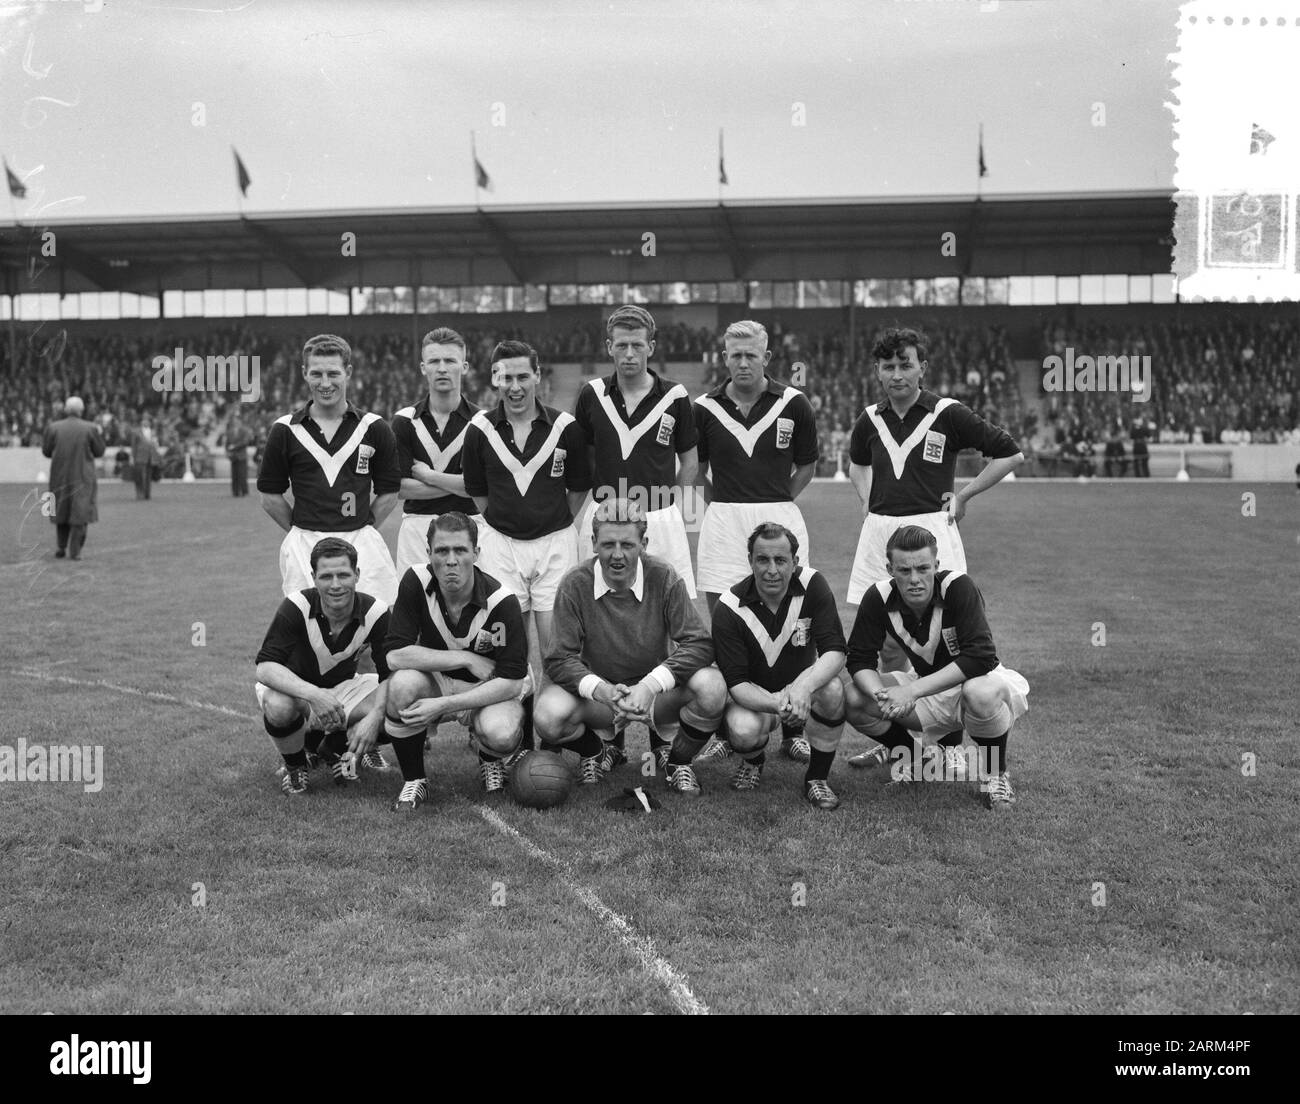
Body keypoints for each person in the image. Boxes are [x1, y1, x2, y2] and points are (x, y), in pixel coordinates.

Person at [842, 327, 1022, 769]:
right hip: (879, 532)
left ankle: (949, 747)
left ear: (923, 366)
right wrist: (867, 502)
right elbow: (856, 463)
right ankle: (900, 744)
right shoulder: (869, 418)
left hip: (931, 530)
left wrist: (963, 496)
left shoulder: (947, 412)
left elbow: (1009, 453)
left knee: (947, 639)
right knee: (886, 642)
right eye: (888, 366)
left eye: (906, 364)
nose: (897, 374)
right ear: (877, 371)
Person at [573, 304, 699, 768]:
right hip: (605, 517)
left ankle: (665, 739)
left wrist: (676, 505)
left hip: (660, 517)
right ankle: (611, 740)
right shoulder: (591, 395)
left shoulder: (676, 395)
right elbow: (581, 457)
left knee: (668, 626)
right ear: (609, 348)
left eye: (637, 345)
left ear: (652, 346)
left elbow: (689, 458)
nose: (629, 354)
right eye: (620, 345)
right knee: (603, 623)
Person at [536, 498, 726, 792]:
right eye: (609, 544)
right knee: (547, 715)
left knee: (712, 688)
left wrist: (650, 685)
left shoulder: (664, 577)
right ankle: (594, 750)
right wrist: (603, 691)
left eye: (627, 544)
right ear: (594, 542)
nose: (617, 555)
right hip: (603, 699)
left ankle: (678, 761)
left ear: (644, 543)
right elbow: (558, 658)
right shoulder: (574, 583)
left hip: (656, 696)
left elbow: (699, 644)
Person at [843, 525, 1028, 810]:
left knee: (981, 691)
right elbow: (859, 658)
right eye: (904, 571)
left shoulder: (958, 587)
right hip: (926, 691)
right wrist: (882, 695)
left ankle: (995, 774)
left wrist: (911, 691)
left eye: (923, 568)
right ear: (890, 569)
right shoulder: (878, 597)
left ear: (936, 565)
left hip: (973, 685)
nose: (915, 579)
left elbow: (981, 657)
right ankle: (916, 759)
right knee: (854, 696)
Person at [380, 512, 530, 811]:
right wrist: (464, 657)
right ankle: (414, 779)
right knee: (403, 686)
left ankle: (490, 757)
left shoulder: (502, 601)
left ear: (476, 553)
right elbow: (396, 655)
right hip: (441, 681)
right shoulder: (415, 581)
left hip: (490, 690)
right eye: (442, 551)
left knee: (500, 732)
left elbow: (512, 682)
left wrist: (443, 706)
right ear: (428, 554)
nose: (450, 560)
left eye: (460, 550)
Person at [461, 339, 591, 667]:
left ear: (537, 376)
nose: (515, 387)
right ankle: (519, 712)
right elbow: (477, 490)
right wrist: (502, 519)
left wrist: (553, 519)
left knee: (556, 648)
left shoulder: (566, 427)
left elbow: (578, 487)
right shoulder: (479, 429)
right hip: (500, 546)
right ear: (495, 379)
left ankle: (552, 717)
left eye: (522, 377)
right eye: (506, 378)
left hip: (555, 544)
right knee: (508, 645)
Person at [257, 334, 402, 606]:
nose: (325, 383)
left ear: (347, 372)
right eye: (317, 374)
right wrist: (300, 529)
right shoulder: (286, 430)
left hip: (361, 540)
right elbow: (269, 496)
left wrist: (364, 525)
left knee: (373, 624)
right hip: (305, 544)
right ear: (304, 374)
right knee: (310, 626)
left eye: (333, 373)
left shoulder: (375, 428)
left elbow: (389, 493)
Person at [710, 523, 847, 810]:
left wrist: (803, 688)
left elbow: (835, 651)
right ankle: (754, 761)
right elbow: (736, 684)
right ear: (750, 561)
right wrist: (781, 705)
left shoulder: (812, 585)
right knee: (742, 728)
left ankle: (817, 779)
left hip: (800, 688)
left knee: (833, 690)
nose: (771, 570)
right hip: (756, 695)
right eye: (762, 560)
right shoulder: (729, 607)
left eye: (780, 560)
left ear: (795, 562)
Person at [694, 320, 819, 619]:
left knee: (786, 613)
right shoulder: (703, 408)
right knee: (724, 616)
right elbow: (696, 471)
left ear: (766, 358)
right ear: (725, 358)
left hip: (780, 517)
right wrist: (722, 502)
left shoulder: (794, 403)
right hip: (723, 521)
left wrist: (777, 498)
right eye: (735, 355)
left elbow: (807, 466)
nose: (743, 363)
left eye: (751, 355)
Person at [253, 537, 394, 796]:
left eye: (343, 575)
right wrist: (314, 695)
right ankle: (296, 767)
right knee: (278, 704)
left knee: (403, 696)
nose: (336, 585)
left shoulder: (377, 612)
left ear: (357, 575)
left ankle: (337, 748)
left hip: (345, 688)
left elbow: (391, 674)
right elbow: (265, 667)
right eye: (326, 576)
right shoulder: (296, 606)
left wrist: (374, 717)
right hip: (299, 692)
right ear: (313, 577)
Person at [391, 327, 482, 576]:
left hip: (469, 525)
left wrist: (427, 475)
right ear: (423, 367)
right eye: (434, 361)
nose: (442, 368)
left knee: (468, 609)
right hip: (416, 528)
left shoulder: (484, 422)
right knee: (416, 607)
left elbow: (481, 487)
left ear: (464, 366)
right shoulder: (404, 421)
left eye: (450, 360)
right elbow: (400, 488)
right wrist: (460, 484)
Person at [41, 396, 104, 561]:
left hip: (59, 475)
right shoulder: (90, 428)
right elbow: (99, 451)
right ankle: (75, 551)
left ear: (66, 410)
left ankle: (61, 547)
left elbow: (46, 451)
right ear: (81, 410)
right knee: (80, 514)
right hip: (82, 475)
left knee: (61, 511)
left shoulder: (53, 427)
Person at [223, 413, 254, 497]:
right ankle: (235, 492)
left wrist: (234, 447)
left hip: (241, 456)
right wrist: (227, 452)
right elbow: (227, 444)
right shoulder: (230, 432)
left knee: (242, 475)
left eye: (237, 420)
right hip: (233, 457)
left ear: (240, 421)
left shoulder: (244, 431)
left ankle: (244, 492)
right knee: (234, 475)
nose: (235, 422)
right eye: (234, 420)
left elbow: (245, 442)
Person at [129, 420, 161, 501]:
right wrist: (132, 457)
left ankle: (147, 494)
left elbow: (156, 445)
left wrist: (156, 456)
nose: (146, 422)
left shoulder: (153, 432)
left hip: (150, 457)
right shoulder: (136, 432)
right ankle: (140, 494)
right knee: (139, 477)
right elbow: (133, 446)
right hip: (139, 457)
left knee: (148, 477)